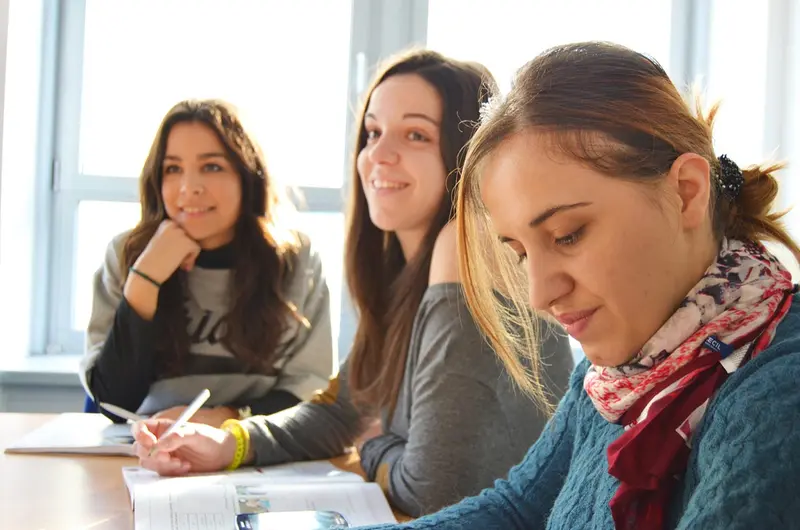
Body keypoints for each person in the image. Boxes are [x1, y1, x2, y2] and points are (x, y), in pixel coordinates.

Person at [353, 41, 800, 530]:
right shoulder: (617, 371)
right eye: (520, 253)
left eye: (568, 235)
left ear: (686, 192)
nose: (539, 295)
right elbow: (518, 507)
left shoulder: (776, 395)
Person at [131, 50, 574, 518]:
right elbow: (343, 411)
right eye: (373, 133)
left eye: (416, 134)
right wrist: (229, 444)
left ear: (465, 153)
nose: (378, 155)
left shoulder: (465, 245)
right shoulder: (403, 273)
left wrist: (374, 446)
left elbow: (431, 489)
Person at [80, 99, 334, 428]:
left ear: (247, 176)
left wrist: (224, 420)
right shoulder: (126, 253)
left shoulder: (297, 261)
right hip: (144, 451)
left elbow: (310, 391)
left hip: (258, 451)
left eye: (212, 167)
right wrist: (145, 280)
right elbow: (114, 403)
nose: (189, 188)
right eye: (172, 169)